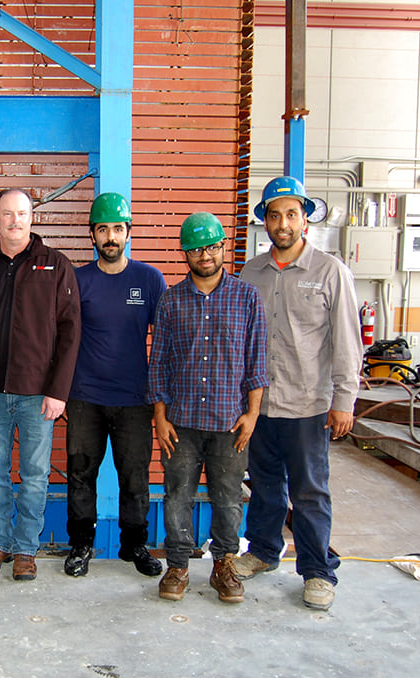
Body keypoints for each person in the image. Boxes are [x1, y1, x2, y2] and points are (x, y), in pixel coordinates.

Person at [236, 176, 361, 611]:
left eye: (291, 214)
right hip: (260, 404)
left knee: (309, 492)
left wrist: (345, 399)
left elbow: (347, 341)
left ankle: (317, 571)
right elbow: (242, 338)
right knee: (265, 485)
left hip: (308, 405)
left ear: (304, 219)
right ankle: (264, 551)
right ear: (265, 223)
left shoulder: (330, 272)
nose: (283, 223)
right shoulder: (251, 272)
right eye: (274, 215)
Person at [0, 188, 81, 581]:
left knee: (35, 474)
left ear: (32, 218)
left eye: (21, 214)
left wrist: (59, 391)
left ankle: (26, 549)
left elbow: (71, 331)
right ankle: (0, 544)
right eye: (7, 214)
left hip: (38, 396)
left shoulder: (55, 266)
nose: (15, 221)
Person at [148, 212, 268, 604]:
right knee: (177, 495)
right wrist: (160, 417)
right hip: (180, 424)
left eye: (212, 247)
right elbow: (159, 363)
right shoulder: (170, 301)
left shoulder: (247, 297)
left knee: (228, 498)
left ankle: (223, 566)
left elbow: (257, 363)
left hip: (230, 423)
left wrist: (251, 415)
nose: (206, 255)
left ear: (223, 249)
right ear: (186, 253)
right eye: (197, 248)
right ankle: (178, 566)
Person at [63, 192, 166, 578]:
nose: (110, 236)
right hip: (85, 398)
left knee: (136, 476)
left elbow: (168, 339)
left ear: (128, 233)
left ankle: (134, 544)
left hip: (135, 400)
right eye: (103, 229)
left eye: (117, 229)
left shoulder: (149, 279)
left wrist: (162, 395)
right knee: (80, 474)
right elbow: (62, 337)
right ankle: (81, 545)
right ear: (92, 234)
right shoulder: (78, 280)